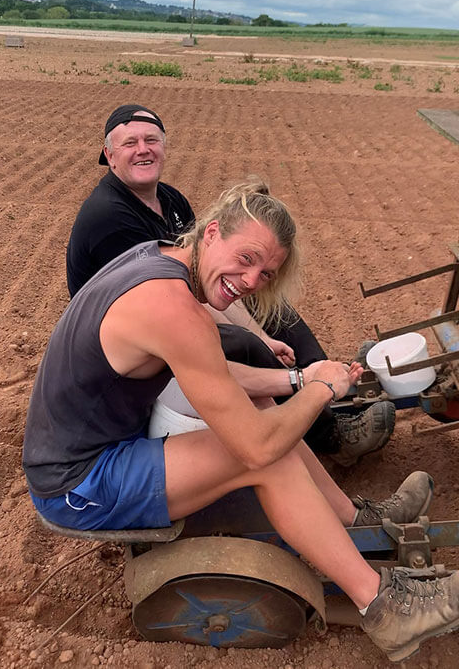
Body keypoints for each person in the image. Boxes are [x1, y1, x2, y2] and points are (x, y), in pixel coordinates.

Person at [24, 184, 459, 663]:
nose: (252, 280)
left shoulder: (159, 259)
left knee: (270, 421)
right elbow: (255, 447)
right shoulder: (171, 306)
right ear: (212, 233)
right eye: (246, 258)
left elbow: (208, 369)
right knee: (266, 457)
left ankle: (358, 523)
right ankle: (383, 606)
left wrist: (297, 377)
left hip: (93, 450)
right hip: (79, 483)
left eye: (265, 272)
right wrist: (322, 390)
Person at [65, 103, 394, 467]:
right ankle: (327, 437)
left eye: (151, 140)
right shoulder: (110, 217)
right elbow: (178, 301)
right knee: (243, 342)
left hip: (177, 309)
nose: (143, 149)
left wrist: (265, 332)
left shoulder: (170, 200)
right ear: (110, 156)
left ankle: (328, 393)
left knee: (270, 306)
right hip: (134, 347)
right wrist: (258, 339)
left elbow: (203, 277)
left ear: (164, 147)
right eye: (130, 143)